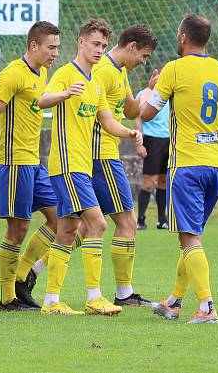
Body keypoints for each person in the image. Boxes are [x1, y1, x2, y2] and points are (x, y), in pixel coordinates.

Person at [37, 18, 142, 316]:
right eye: (95, 44)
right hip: (67, 163)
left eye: (104, 46)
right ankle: (94, 296)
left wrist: (129, 132)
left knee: (68, 230)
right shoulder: (65, 73)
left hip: (82, 165)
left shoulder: (95, 83)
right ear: (81, 42)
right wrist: (64, 94)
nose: (99, 50)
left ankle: (51, 301)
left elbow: (107, 121)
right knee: (97, 223)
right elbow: (42, 99)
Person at [140, 14, 218, 325]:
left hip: (186, 164)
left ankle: (207, 307)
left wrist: (150, 89)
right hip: (215, 165)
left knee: (190, 238)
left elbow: (145, 112)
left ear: (183, 37)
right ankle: (173, 301)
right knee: (190, 237)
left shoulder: (173, 69)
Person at [0, 21, 61, 311]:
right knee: (18, 230)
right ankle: (8, 298)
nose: (55, 53)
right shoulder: (11, 75)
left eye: (57, 47)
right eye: (51, 47)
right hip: (13, 163)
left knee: (61, 219)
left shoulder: (42, 73)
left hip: (34, 163)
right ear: (34, 46)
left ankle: (22, 278)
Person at [90, 24, 158, 307]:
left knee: (79, 228)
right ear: (131, 47)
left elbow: (132, 110)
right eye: (142, 56)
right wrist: (129, 133)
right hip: (102, 154)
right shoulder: (104, 70)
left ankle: (30, 272)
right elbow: (103, 116)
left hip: (103, 154)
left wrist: (150, 92)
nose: (143, 62)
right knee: (127, 221)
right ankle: (124, 293)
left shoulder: (120, 72)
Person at [134, 84, 170, 230]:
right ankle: (140, 220)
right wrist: (139, 143)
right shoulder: (143, 94)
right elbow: (137, 118)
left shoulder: (169, 94)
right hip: (152, 140)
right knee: (149, 182)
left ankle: (162, 220)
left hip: (169, 139)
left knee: (164, 181)